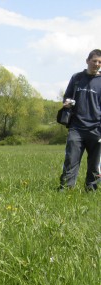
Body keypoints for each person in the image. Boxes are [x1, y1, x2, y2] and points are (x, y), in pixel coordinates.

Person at [59, 49, 101, 192]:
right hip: (76, 128)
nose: (97, 64)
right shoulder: (76, 78)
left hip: (96, 128)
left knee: (94, 165)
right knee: (71, 161)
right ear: (87, 61)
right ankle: (66, 190)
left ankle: (91, 191)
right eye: (94, 61)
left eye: (100, 62)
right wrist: (67, 103)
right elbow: (66, 97)